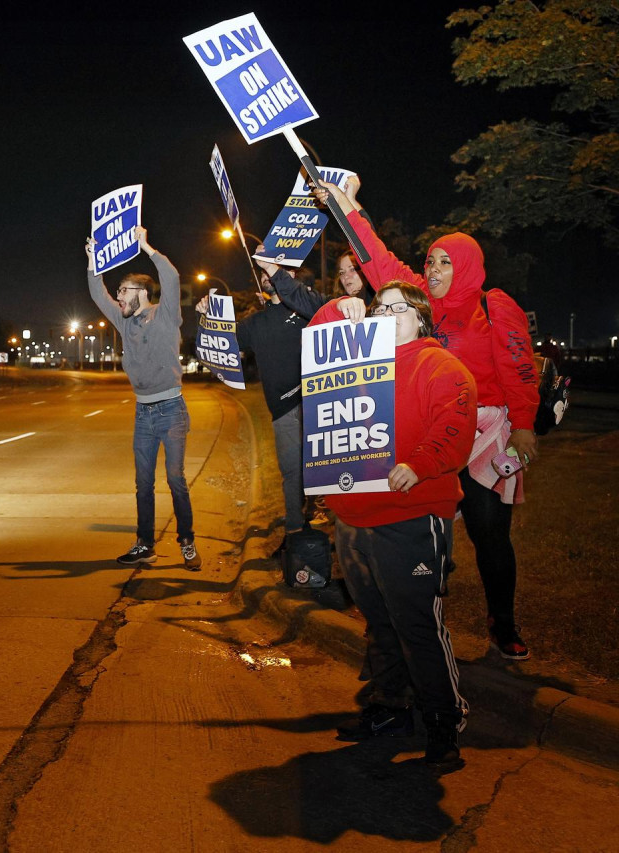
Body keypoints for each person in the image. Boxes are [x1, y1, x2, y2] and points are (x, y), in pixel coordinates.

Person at [314, 178, 540, 660]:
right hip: (425, 431)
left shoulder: (493, 307)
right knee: (422, 520)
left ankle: (503, 623)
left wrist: (522, 427)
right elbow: (375, 258)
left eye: (444, 262)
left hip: (484, 435)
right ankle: (424, 608)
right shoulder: (418, 300)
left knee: (488, 531)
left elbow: (520, 369)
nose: (433, 270)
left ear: (467, 268)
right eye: (430, 261)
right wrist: (343, 207)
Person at [314, 284, 476, 770]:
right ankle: (389, 709)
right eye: (380, 307)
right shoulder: (356, 363)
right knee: (380, 623)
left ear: (421, 319)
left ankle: (444, 721)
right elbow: (316, 343)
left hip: (410, 514)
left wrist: (421, 462)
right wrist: (338, 309)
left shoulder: (439, 366)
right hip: (354, 519)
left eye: (399, 307)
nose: (387, 312)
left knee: (417, 624)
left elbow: (456, 422)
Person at [85, 226, 200, 569]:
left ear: (142, 292)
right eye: (118, 290)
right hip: (143, 414)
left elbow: (172, 274)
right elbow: (96, 294)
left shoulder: (165, 314)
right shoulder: (124, 324)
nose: (118, 296)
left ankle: (188, 542)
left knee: (176, 479)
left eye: (123, 290)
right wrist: (93, 262)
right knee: (143, 484)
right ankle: (144, 544)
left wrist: (146, 246)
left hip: (171, 410)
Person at [200, 259, 321, 548]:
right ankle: (294, 535)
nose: (266, 275)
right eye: (264, 271)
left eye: (275, 270)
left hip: (319, 402)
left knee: (322, 468)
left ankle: (318, 516)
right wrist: (206, 317)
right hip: (283, 410)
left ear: (290, 276)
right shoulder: (255, 323)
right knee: (292, 473)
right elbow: (221, 343)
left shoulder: (310, 311)